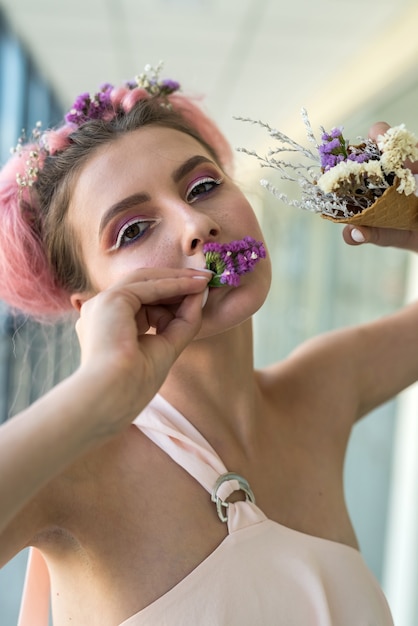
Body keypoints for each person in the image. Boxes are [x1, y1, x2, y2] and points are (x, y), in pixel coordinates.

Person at [0, 65, 417, 626]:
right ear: (90, 306)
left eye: (203, 186)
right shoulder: (74, 471)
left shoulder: (324, 388)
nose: (195, 222)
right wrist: (99, 391)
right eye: (133, 230)